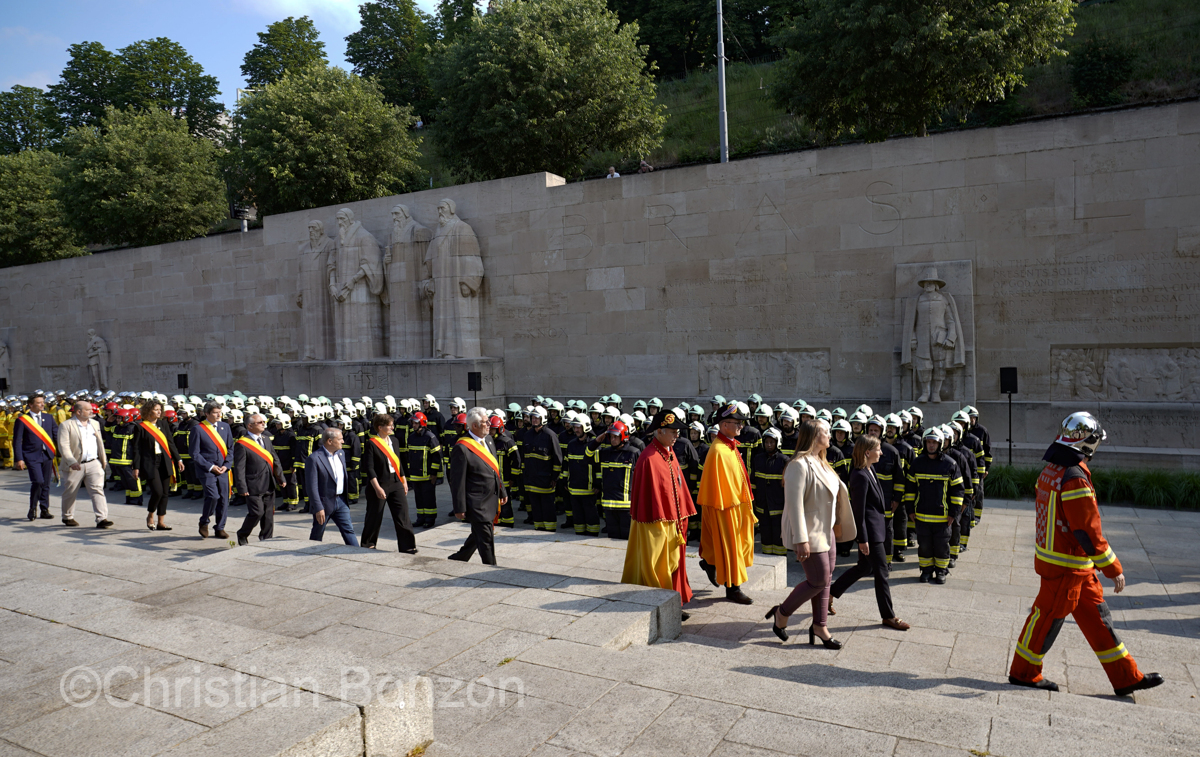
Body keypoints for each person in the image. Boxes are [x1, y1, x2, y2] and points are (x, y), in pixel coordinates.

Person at [1009, 412, 1164, 697]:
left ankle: (1126, 677)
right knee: (1045, 621)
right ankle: (1023, 673)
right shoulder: (1074, 478)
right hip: (1066, 568)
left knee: (1099, 621)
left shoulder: (1053, 469)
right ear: (1086, 443)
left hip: (1073, 566)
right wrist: (1113, 568)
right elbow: (1087, 531)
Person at [766, 419, 855, 647]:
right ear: (815, 436)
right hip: (810, 534)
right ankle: (782, 613)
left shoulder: (823, 462)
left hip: (827, 531)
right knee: (818, 580)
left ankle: (820, 626)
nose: (830, 435)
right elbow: (794, 505)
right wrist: (801, 539)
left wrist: (836, 523)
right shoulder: (798, 465)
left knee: (826, 580)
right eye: (826, 431)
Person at [828, 435, 910, 630]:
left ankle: (828, 594)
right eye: (878, 449)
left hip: (877, 528)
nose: (881, 452)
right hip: (870, 534)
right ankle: (888, 616)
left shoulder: (870, 469)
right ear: (867, 452)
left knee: (863, 568)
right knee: (882, 572)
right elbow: (859, 512)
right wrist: (862, 539)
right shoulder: (859, 475)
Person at [621, 409, 696, 617]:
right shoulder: (649, 458)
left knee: (672, 563)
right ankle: (661, 603)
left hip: (672, 521)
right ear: (660, 431)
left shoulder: (668, 452)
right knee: (658, 564)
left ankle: (673, 601)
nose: (677, 435)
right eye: (673, 431)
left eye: (678, 432)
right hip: (655, 523)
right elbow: (648, 497)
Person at [697, 401, 757, 605]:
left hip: (734, 504)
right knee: (730, 547)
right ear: (724, 425)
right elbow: (719, 487)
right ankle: (733, 588)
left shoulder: (728, 446)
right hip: (726, 507)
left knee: (729, 546)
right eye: (737, 422)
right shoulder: (719, 451)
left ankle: (710, 563)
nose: (741, 425)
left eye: (741, 422)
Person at [447, 407, 508, 565]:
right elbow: (457, 481)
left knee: (478, 534)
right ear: (474, 425)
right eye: (485, 422)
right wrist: (459, 507)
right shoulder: (462, 448)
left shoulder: (489, 440)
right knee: (486, 539)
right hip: (477, 503)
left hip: (491, 498)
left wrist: (502, 491)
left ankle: (460, 557)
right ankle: (491, 569)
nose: (489, 424)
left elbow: (495, 469)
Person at [904, 427, 964, 585]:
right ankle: (926, 571)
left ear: (941, 443)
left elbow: (958, 490)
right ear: (924, 443)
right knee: (924, 545)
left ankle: (941, 571)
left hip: (943, 517)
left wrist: (954, 512)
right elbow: (910, 489)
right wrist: (910, 510)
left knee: (941, 545)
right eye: (929, 442)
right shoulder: (917, 463)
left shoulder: (950, 464)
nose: (931, 445)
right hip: (921, 515)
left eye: (934, 442)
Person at [361, 413, 416, 553]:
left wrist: (404, 481)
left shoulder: (395, 441)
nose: (392, 427)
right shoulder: (372, 443)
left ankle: (408, 546)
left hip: (396, 482)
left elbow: (398, 462)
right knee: (374, 516)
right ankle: (368, 544)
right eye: (390, 425)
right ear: (380, 427)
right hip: (379, 483)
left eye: (392, 425)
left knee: (403, 515)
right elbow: (370, 468)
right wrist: (377, 488)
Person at [57, 399, 112, 529]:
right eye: (88, 410)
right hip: (75, 465)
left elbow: (100, 442)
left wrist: (102, 460)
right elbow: (63, 446)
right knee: (71, 491)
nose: (92, 411)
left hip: (93, 463)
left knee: (97, 490)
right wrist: (71, 461)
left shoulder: (95, 423)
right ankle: (67, 516)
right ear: (79, 412)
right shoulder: (66, 425)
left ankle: (101, 518)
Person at [233, 412, 285, 546]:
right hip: (253, 485)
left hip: (269, 483)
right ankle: (243, 534)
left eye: (263, 422)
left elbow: (274, 459)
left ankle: (266, 540)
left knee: (268, 515)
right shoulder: (242, 443)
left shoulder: (266, 439)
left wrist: (280, 477)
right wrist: (241, 487)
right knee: (257, 513)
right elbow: (239, 468)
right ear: (250, 426)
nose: (263, 424)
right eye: (260, 422)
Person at [133, 399, 184, 532]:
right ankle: (150, 515)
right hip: (150, 462)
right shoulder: (140, 426)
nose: (159, 412)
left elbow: (170, 442)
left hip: (164, 460)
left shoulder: (163, 424)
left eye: (160, 409)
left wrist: (178, 459)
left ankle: (161, 522)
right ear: (148, 411)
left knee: (165, 493)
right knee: (157, 491)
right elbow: (136, 449)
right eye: (156, 409)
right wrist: (136, 467)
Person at [306, 427, 359, 546]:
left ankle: (356, 552)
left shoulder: (341, 453)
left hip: (341, 501)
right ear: (329, 441)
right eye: (340, 439)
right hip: (324, 504)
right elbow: (311, 487)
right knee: (317, 533)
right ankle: (310, 552)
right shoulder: (314, 459)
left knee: (349, 531)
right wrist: (318, 507)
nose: (343, 442)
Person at [190, 401, 233, 539]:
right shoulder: (198, 429)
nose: (219, 415)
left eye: (220, 412)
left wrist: (227, 465)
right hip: (207, 470)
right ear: (207, 414)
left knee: (224, 499)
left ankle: (220, 528)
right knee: (213, 496)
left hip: (223, 469)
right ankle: (204, 521)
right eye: (215, 412)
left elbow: (230, 448)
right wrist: (210, 467)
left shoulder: (225, 427)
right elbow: (195, 453)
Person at [13, 393, 58, 521]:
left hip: (47, 455)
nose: (42, 404)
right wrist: (19, 459)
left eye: (43, 402)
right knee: (38, 481)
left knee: (46, 484)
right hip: (31, 455)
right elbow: (17, 441)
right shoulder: (22, 420)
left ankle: (44, 509)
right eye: (39, 402)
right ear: (30, 405)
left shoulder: (48, 417)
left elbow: (56, 435)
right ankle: (32, 508)